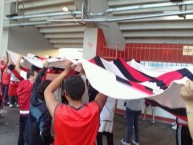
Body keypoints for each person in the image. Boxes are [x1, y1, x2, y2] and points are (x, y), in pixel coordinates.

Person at [44, 60, 107, 145]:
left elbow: (47, 91)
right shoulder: (94, 110)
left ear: (65, 93)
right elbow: (106, 88)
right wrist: (85, 72)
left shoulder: (59, 112)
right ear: (84, 90)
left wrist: (66, 71)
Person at [24, 61, 53, 145]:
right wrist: (49, 141)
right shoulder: (46, 111)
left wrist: (44, 68)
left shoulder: (34, 96)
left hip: (28, 135)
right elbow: (44, 132)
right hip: (37, 141)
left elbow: (37, 81)